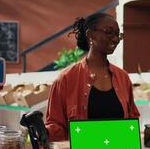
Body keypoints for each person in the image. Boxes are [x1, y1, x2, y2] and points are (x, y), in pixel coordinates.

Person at [45, 13, 140, 141]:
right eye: (109, 32)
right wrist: (40, 131)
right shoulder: (66, 79)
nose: (115, 39)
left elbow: (132, 120)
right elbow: (56, 126)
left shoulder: (123, 77)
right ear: (90, 34)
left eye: (118, 35)